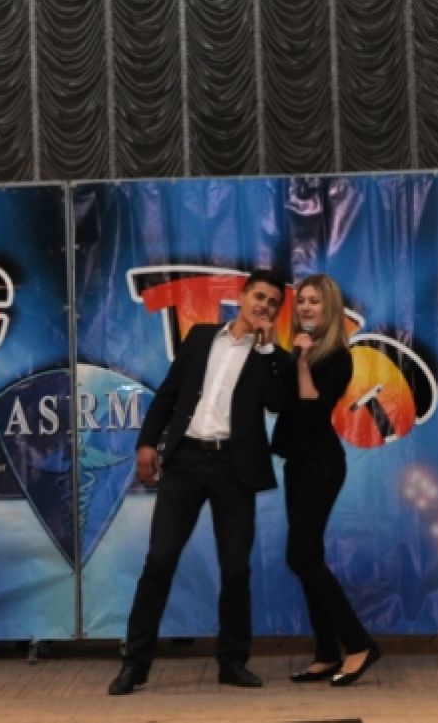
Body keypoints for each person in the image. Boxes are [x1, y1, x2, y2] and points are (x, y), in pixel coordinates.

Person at [107, 268, 292, 695]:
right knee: (160, 561)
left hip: (234, 468)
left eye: (272, 303)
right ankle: (135, 664)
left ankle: (232, 662)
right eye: (259, 297)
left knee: (236, 569)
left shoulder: (273, 358)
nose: (264, 306)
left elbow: (277, 403)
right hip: (186, 460)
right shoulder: (201, 337)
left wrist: (267, 349)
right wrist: (147, 442)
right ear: (242, 297)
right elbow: (169, 394)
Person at [270, 273, 381, 686]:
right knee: (307, 557)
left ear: (330, 308)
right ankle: (326, 652)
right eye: (301, 301)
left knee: (302, 557)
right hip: (298, 464)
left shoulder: (336, 356)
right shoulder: (299, 350)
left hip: (321, 465)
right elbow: (279, 403)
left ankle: (359, 644)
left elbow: (312, 407)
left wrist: (300, 362)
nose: (305, 308)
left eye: (314, 301)